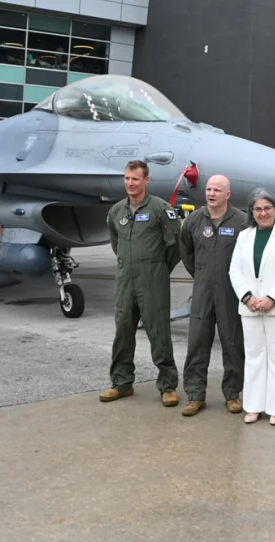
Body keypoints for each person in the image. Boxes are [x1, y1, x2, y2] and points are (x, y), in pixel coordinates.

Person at [101, 159, 183, 406]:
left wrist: (156, 268)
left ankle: (167, 386)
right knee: (123, 332)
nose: (130, 183)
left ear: (146, 180)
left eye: (135, 179)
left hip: (153, 280)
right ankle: (121, 383)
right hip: (126, 280)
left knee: (159, 333)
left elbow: (175, 245)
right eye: (127, 178)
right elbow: (116, 243)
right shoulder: (116, 211)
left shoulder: (160, 209)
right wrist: (131, 263)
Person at [228, 188, 275, 425]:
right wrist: (247, 297)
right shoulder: (245, 235)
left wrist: (271, 298)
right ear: (251, 212)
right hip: (250, 307)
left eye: (267, 208)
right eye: (258, 209)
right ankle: (253, 406)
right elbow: (234, 270)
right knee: (254, 356)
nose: (263, 213)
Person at [177, 175, 249, 416]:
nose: (211, 194)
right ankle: (195, 395)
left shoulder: (241, 221)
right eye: (208, 189)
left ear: (227, 194)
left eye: (217, 190)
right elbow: (186, 251)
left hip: (231, 293)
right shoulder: (194, 220)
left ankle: (233, 394)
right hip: (202, 291)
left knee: (232, 343)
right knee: (197, 343)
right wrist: (201, 274)